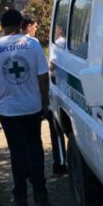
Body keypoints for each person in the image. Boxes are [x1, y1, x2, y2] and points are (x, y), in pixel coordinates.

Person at [0, 9, 50, 206]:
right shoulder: (33, 44)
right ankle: (41, 193)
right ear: (20, 24)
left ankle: (20, 197)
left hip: (8, 111)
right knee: (35, 148)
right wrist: (44, 103)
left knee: (17, 151)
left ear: (1, 26)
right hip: (32, 107)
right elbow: (43, 77)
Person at [21, 15, 67, 176]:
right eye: (35, 26)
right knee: (54, 129)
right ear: (28, 26)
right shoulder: (32, 43)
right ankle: (59, 163)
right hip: (41, 94)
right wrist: (45, 100)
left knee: (29, 137)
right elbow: (43, 73)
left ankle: (29, 169)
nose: (36, 29)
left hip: (26, 97)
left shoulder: (15, 45)